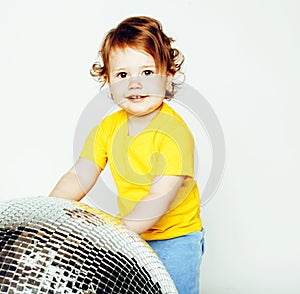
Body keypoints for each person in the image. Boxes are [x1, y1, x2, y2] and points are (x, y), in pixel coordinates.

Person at [50, 16, 205, 294]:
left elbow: (157, 201)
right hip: (132, 236)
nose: (135, 83)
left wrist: (115, 232)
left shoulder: (174, 134)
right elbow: (79, 175)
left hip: (175, 238)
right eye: (123, 75)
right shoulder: (107, 128)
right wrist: (49, 213)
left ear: (168, 78)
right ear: (108, 82)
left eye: (147, 73)